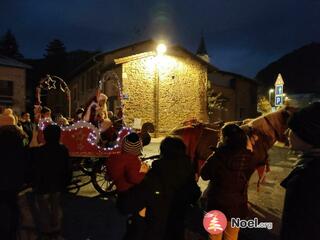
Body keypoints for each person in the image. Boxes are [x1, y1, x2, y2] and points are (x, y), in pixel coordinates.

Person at [117, 136, 201, 240]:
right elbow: (195, 194)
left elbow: (126, 205)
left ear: (162, 152)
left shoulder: (155, 176)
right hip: (177, 231)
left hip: (154, 232)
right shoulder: (188, 175)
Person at [200, 123, 255, 240]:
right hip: (238, 206)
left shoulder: (218, 156)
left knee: (214, 237)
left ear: (225, 138)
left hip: (216, 204)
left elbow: (204, 174)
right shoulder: (249, 157)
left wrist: (217, 151)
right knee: (232, 237)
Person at [280, 102, 320, 240]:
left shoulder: (307, 177)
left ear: (307, 134)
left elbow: (296, 229)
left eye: (292, 129)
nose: (286, 133)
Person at [30, 124, 72, 239]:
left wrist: (33, 182)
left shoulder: (39, 150)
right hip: (57, 183)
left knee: (43, 207)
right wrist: (67, 181)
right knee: (55, 204)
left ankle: (47, 229)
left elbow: (34, 169)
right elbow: (67, 168)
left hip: (42, 184)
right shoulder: (63, 149)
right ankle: (55, 226)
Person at [0, 122, 27, 239]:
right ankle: (13, 231)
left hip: (4, 183)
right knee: (13, 205)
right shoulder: (20, 150)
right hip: (14, 183)